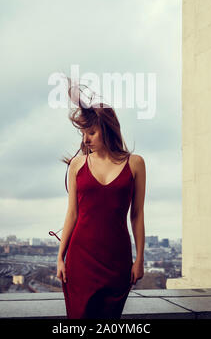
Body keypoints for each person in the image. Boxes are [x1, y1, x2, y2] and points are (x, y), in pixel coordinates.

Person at [56, 83, 146, 319]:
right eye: (83, 134)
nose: (86, 140)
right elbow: (72, 214)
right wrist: (60, 258)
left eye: (91, 133)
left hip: (117, 261)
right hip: (80, 259)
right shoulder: (77, 165)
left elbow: (136, 214)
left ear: (107, 129)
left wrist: (140, 259)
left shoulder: (135, 164)